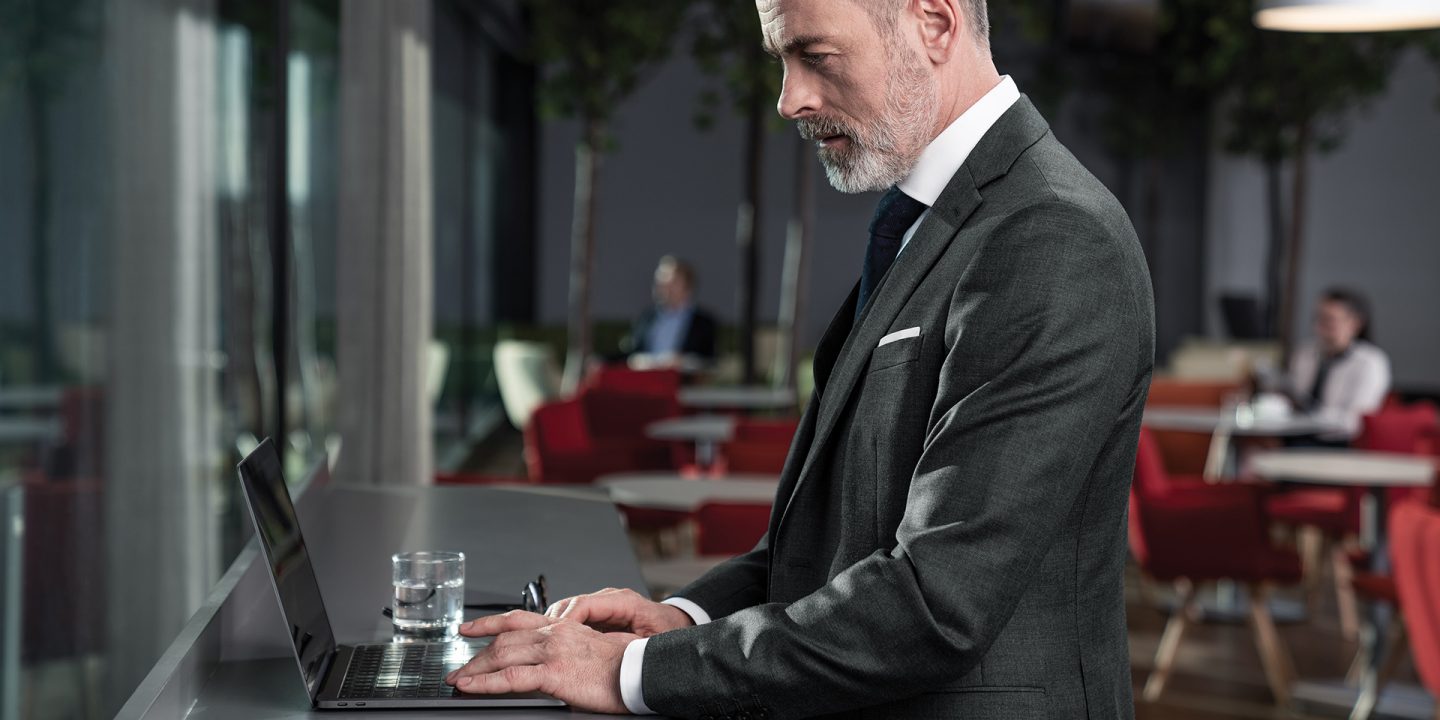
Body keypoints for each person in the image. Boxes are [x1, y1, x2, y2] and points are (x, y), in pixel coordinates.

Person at [446, 1, 1154, 717]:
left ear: (934, 24)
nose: (789, 100)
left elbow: (938, 602)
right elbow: (829, 546)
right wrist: (684, 618)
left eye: (815, 56)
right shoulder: (928, 222)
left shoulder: (1053, 237)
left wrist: (635, 672)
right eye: (782, 61)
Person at [1282, 288, 1391, 443]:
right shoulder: (1304, 354)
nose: (1320, 327)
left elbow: (1355, 421)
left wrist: (1312, 418)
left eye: (1329, 320)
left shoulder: (1370, 363)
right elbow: (1294, 397)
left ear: (1355, 323)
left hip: (1340, 443)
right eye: (1318, 319)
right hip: (1294, 435)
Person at [621, 256, 718, 369]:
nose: (665, 288)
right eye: (661, 282)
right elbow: (631, 353)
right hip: (645, 381)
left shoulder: (704, 323)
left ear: (688, 287)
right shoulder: (646, 317)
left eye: (672, 283)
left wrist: (685, 361)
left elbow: (710, 362)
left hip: (683, 384)